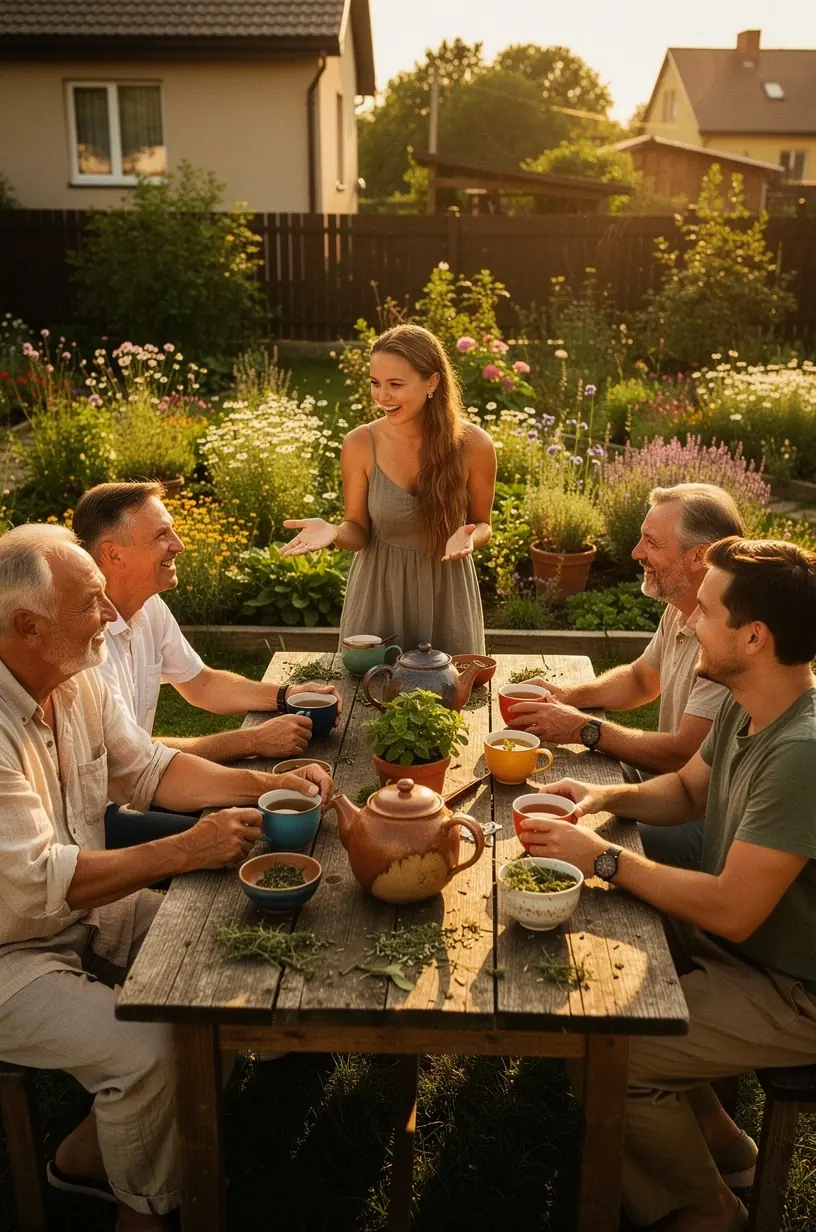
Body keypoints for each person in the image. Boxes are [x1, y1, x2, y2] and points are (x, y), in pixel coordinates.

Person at [0, 524, 332, 1231]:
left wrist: (268, 784)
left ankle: (88, 1157)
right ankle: (145, 1213)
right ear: (27, 626)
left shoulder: (74, 679)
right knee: (150, 1051)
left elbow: (150, 769)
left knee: (226, 954)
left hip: (74, 914)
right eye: (90, 603)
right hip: (9, 951)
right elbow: (34, 882)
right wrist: (185, 850)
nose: (111, 615)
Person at [519, 536, 816, 1232]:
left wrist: (604, 859)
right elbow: (686, 790)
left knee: (609, 1053)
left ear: (754, 635)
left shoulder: (802, 752)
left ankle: (708, 1211)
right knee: (596, 983)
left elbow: (735, 910)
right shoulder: (752, 701)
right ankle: (722, 1145)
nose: (690, 620)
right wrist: (600, 800)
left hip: (796, 989)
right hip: (749, 952)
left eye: (705, 611)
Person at [72, 482, 341, 847]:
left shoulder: (148, 607)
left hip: (146, 783)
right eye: (162, 535)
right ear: (114, 554)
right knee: (257, 837)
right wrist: (254, 741)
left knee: (273, 820)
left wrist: (285, 695)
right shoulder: (86, 649)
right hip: (97, 817)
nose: (179, 545)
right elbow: (139, 762)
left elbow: (201, 684)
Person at [506, 483, 744, 869]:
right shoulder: (683, 606)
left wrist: (584, 729)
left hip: (708, 821)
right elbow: (640, 680)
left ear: (699, 556)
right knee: (564, 785)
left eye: (651, 542)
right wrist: (566, 696)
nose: (636, 553)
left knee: (569, 837)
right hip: (674, 789)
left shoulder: (728, 638)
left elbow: (682, 753)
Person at [279, 323, 497, 655]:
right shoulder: (359, 443)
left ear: (432, 382)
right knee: (367, 685)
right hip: (378, 596)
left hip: (448, 597)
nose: (382, 396)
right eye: (375, 383)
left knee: (451, 686)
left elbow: (482, 524)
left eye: (395, 384)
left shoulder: (475, 445)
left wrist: (470, 537)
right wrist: (334, 532)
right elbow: (357, 531)